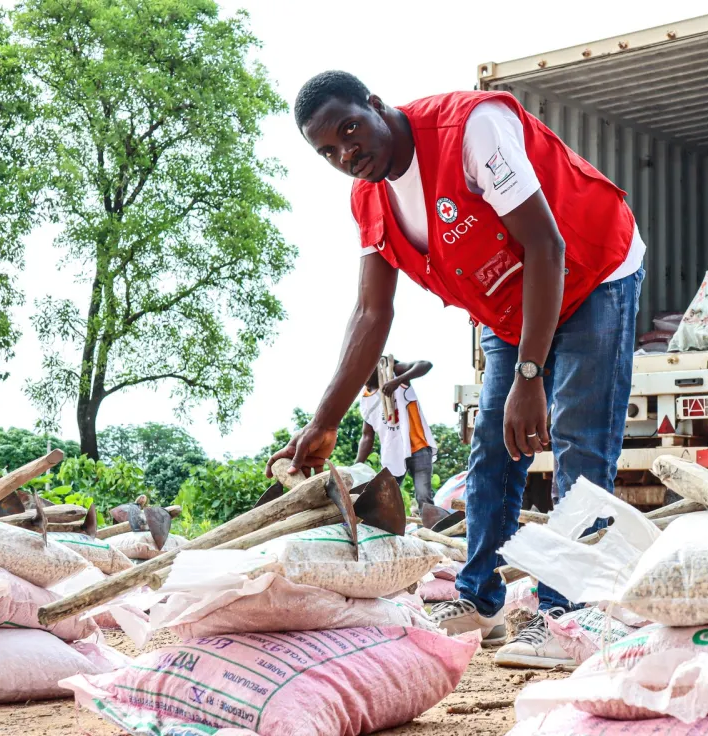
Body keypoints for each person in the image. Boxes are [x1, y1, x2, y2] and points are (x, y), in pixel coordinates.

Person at [267, 70, 645, 669]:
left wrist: (529, 377)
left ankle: (568, 613)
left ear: (374, 104)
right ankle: (479, 598)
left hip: (592, 269)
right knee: (492, 449)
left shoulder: (471, 130)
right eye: (328, 151)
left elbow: (548, 248)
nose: (347, 153)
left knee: (579, 438)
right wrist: (323, 423)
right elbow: (371, 313)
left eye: (350, 129)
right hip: (507, 306)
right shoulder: (369, 199)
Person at [355, 358, 437, 508]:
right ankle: (385, 529)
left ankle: (427, 530)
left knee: (423, 496)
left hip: (417, 447)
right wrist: (357, 464)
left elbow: (426, 364)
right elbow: (367, 436)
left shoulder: (394, 373)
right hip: (393, 453)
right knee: (385, 498)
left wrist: (398, 381)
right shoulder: (366, 401)